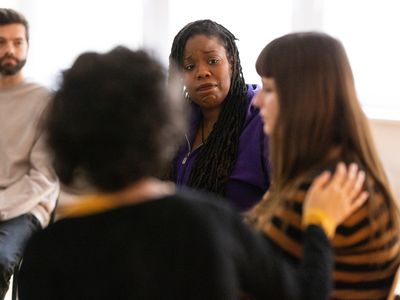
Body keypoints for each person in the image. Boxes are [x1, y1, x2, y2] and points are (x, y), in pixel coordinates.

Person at [17, 46, 367, 300]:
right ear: (164, 123)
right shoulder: (208, 220)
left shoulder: (48, 250)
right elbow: (305, 294)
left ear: (64, 134)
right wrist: (319, 222)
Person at [248, 31, 400, 300]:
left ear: (305, 100)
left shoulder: (322, 188)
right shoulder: (332, 175)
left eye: (269, 89)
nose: (256, 100)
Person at [168, 19, 269, 211]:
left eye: (213, 61)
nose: (202, 72)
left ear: (232, 61)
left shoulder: (262, 117)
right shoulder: (176, 123)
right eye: (189, 67)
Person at [0, 8, 59, 299]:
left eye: (17, 42)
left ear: (27, 45)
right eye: (1, 42)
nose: (10, 49)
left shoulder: (43, 100)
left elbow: (44, 176)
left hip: (28, 206)